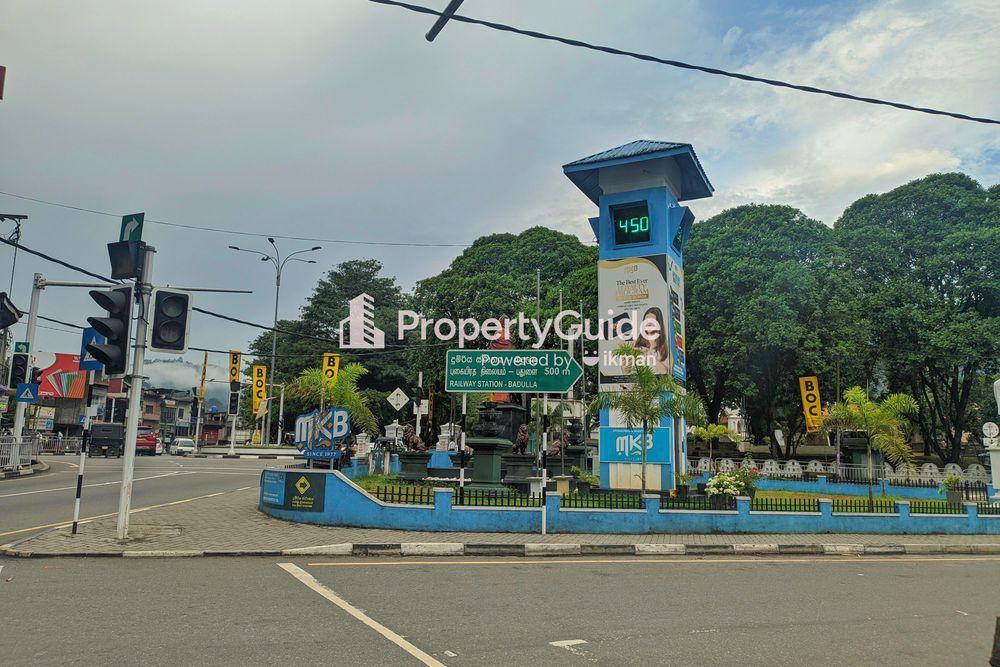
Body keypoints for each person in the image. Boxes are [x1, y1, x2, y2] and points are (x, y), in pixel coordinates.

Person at [634, 306, 672, 375]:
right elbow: (626, 371)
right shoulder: (637, 342)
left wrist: (649, 354)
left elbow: (664, 371)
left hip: (657, 384)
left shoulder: (664, 346)